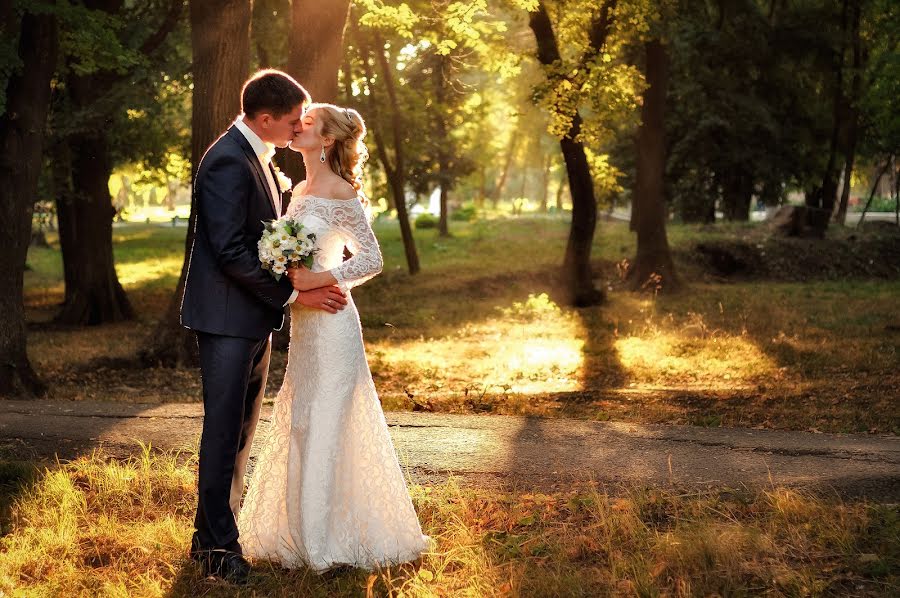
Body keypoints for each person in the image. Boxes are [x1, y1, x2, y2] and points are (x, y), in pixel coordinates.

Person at [238, 103, 430, 572]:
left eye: (306, 123)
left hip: (335, 322)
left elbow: (371, 259)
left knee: (328, 418)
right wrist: (293, 283)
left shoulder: (340, 192)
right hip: (306, 325)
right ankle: (300, 532)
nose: (296, 125)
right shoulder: (299, 188)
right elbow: (289, 259)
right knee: (303, 419)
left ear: (324, 140)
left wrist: (320, 280)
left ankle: (327, 543)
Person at [180, 70, 348, 584]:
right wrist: (297, 293)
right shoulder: (228, 160)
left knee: (239, 435)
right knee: (223, 432)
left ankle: (207, 536)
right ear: (267, 118)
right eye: (294, 119)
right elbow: (230, 250)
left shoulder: (258, 158)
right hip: (228, 319)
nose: (299, 126)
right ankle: (219, 551)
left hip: (252, 317)